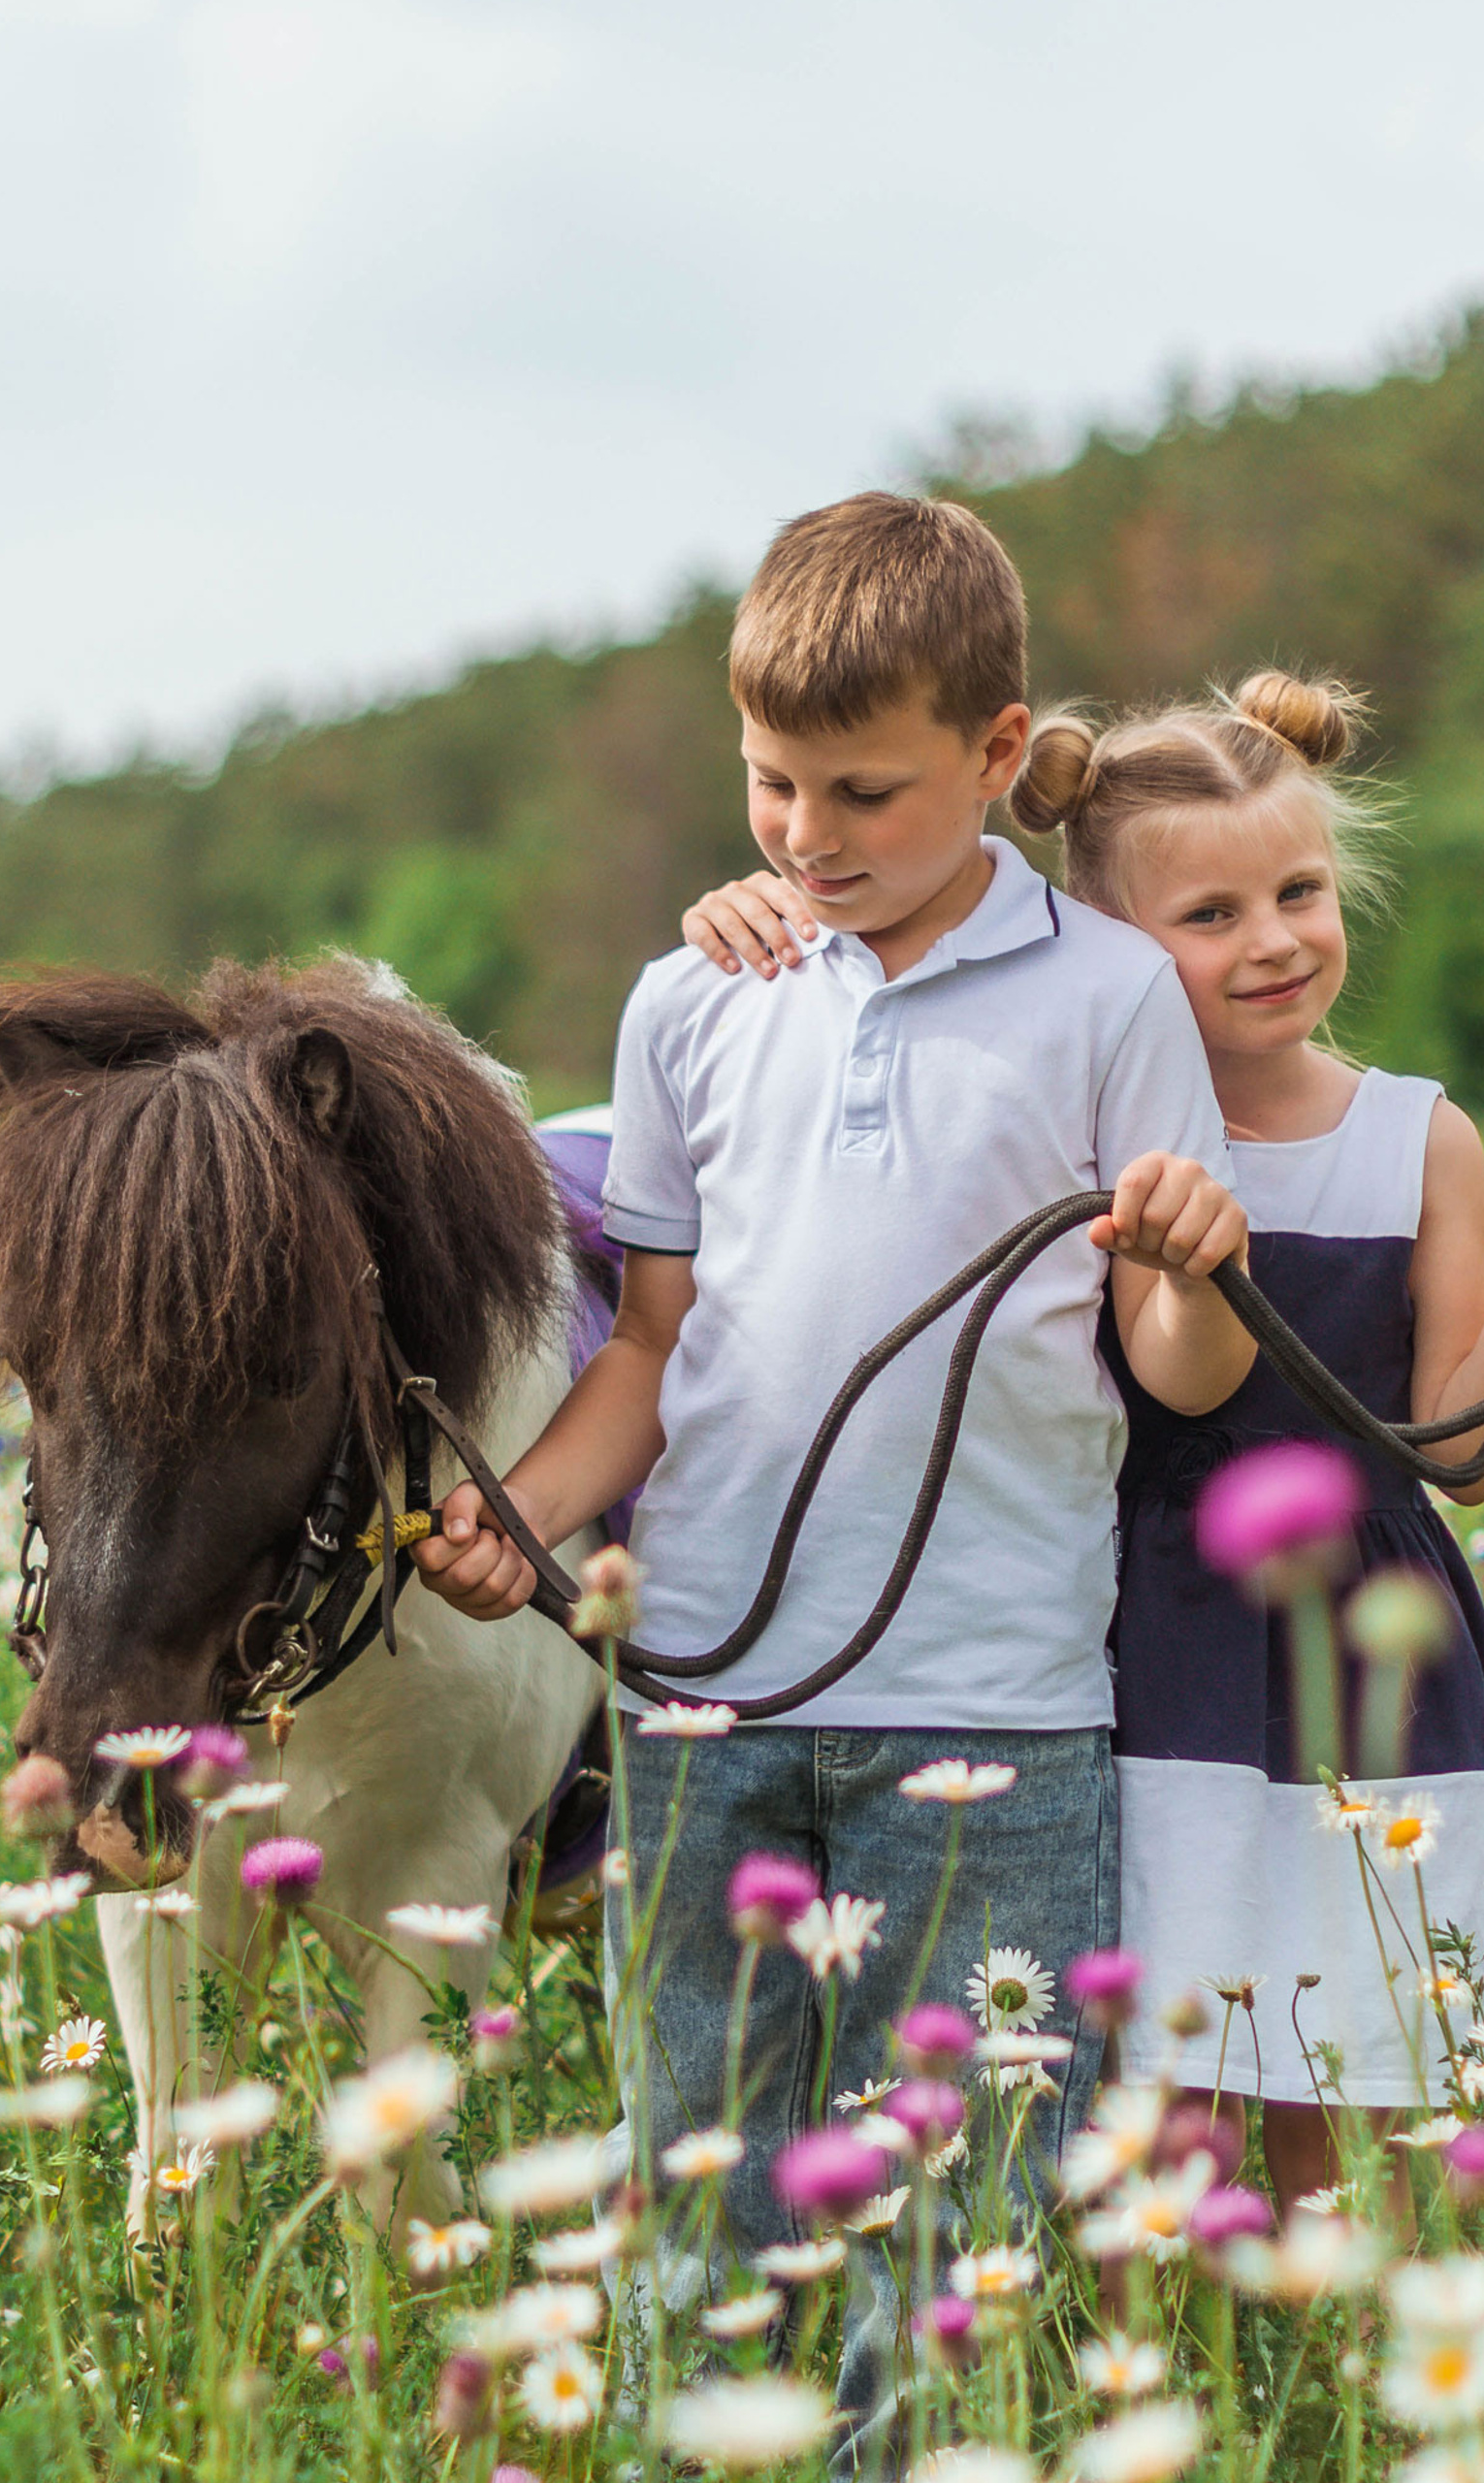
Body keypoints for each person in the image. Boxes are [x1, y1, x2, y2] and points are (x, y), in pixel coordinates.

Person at [413, 492, 1253, 2443]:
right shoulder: (693, 997)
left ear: (989, 753)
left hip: (995, 1712)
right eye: (771, 784)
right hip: (705, 1703)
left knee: (963, 2238)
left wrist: (1197, 1263)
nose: (805, 835)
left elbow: (1171, 1369)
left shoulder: (1107, 994)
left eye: (862, 791)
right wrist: (523, 1515)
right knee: (690, 2195)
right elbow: (648, 1342)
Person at [683, 669, 1484, 2213]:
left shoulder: (1422, 1135)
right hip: (1155, 1615)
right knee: (1156, 2043)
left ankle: (1327, 2351)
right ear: (1115, 948)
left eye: (1299, 892)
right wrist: (759, 905)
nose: (1273, 940)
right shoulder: (1093, 1114)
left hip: (1364, 1633)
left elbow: (1471, 1449)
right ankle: (1158, 2362)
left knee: (1350, 2023)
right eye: (1211, 916)